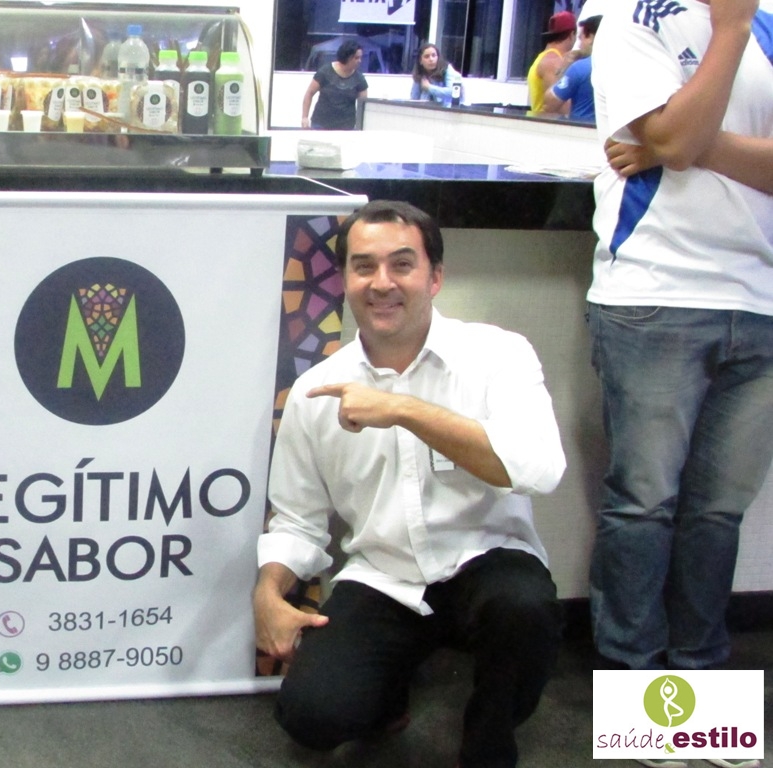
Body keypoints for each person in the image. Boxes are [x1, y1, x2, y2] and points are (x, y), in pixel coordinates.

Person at [254, 200, 566, 768]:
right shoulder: (316, 391)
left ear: (435, 277)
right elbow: (298, 518)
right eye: (363, 266)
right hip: (385, 575)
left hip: (487, 560)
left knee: (524, 610)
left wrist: (403, 409)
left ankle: (489, 735)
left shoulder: (498, 355)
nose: (381, 283)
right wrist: (268, 592)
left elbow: (539, 469)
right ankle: (389, 693)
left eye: (402, 264)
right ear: (344, 280)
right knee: (311, 715)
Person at [587, 0, 772, 726]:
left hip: (760, 298)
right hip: (656, 292)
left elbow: (676, 138)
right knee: (644, 503)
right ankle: (635, 689)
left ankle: (698, 687)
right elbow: (667, 135)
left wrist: (686, 144)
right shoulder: (636, 16)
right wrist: (729, 29)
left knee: (717, 512)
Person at [543, 13, 602, 123]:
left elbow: (549, 104)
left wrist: (563, 69)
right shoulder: (625, 67)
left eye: (580, 38)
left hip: (581, 129)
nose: (579, 45)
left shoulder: (579, 68)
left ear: (590, 37)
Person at [302, 39, 369, 130]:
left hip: (346, 127)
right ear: (347, 57)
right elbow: (309, 93)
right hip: (321, 124)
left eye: (360, 58)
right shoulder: (325, 72)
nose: (360, 61)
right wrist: (304, 117)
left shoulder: (359, 79)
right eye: (356, 58)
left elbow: (364, 105)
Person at [528, 11, 579, 115]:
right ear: (571, 34)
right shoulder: (553, 61)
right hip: (546, 123)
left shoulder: (546, 56)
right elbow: (561, 106)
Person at [409, 43, 463, 107]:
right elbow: (414, 99)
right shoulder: (420, 74)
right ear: (420, 61)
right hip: (426, 110)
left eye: (434, 55)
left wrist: (429, 88)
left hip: (448, 109)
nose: (431, 59)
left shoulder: (447, 69)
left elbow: (453, 92)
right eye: (427, 56)